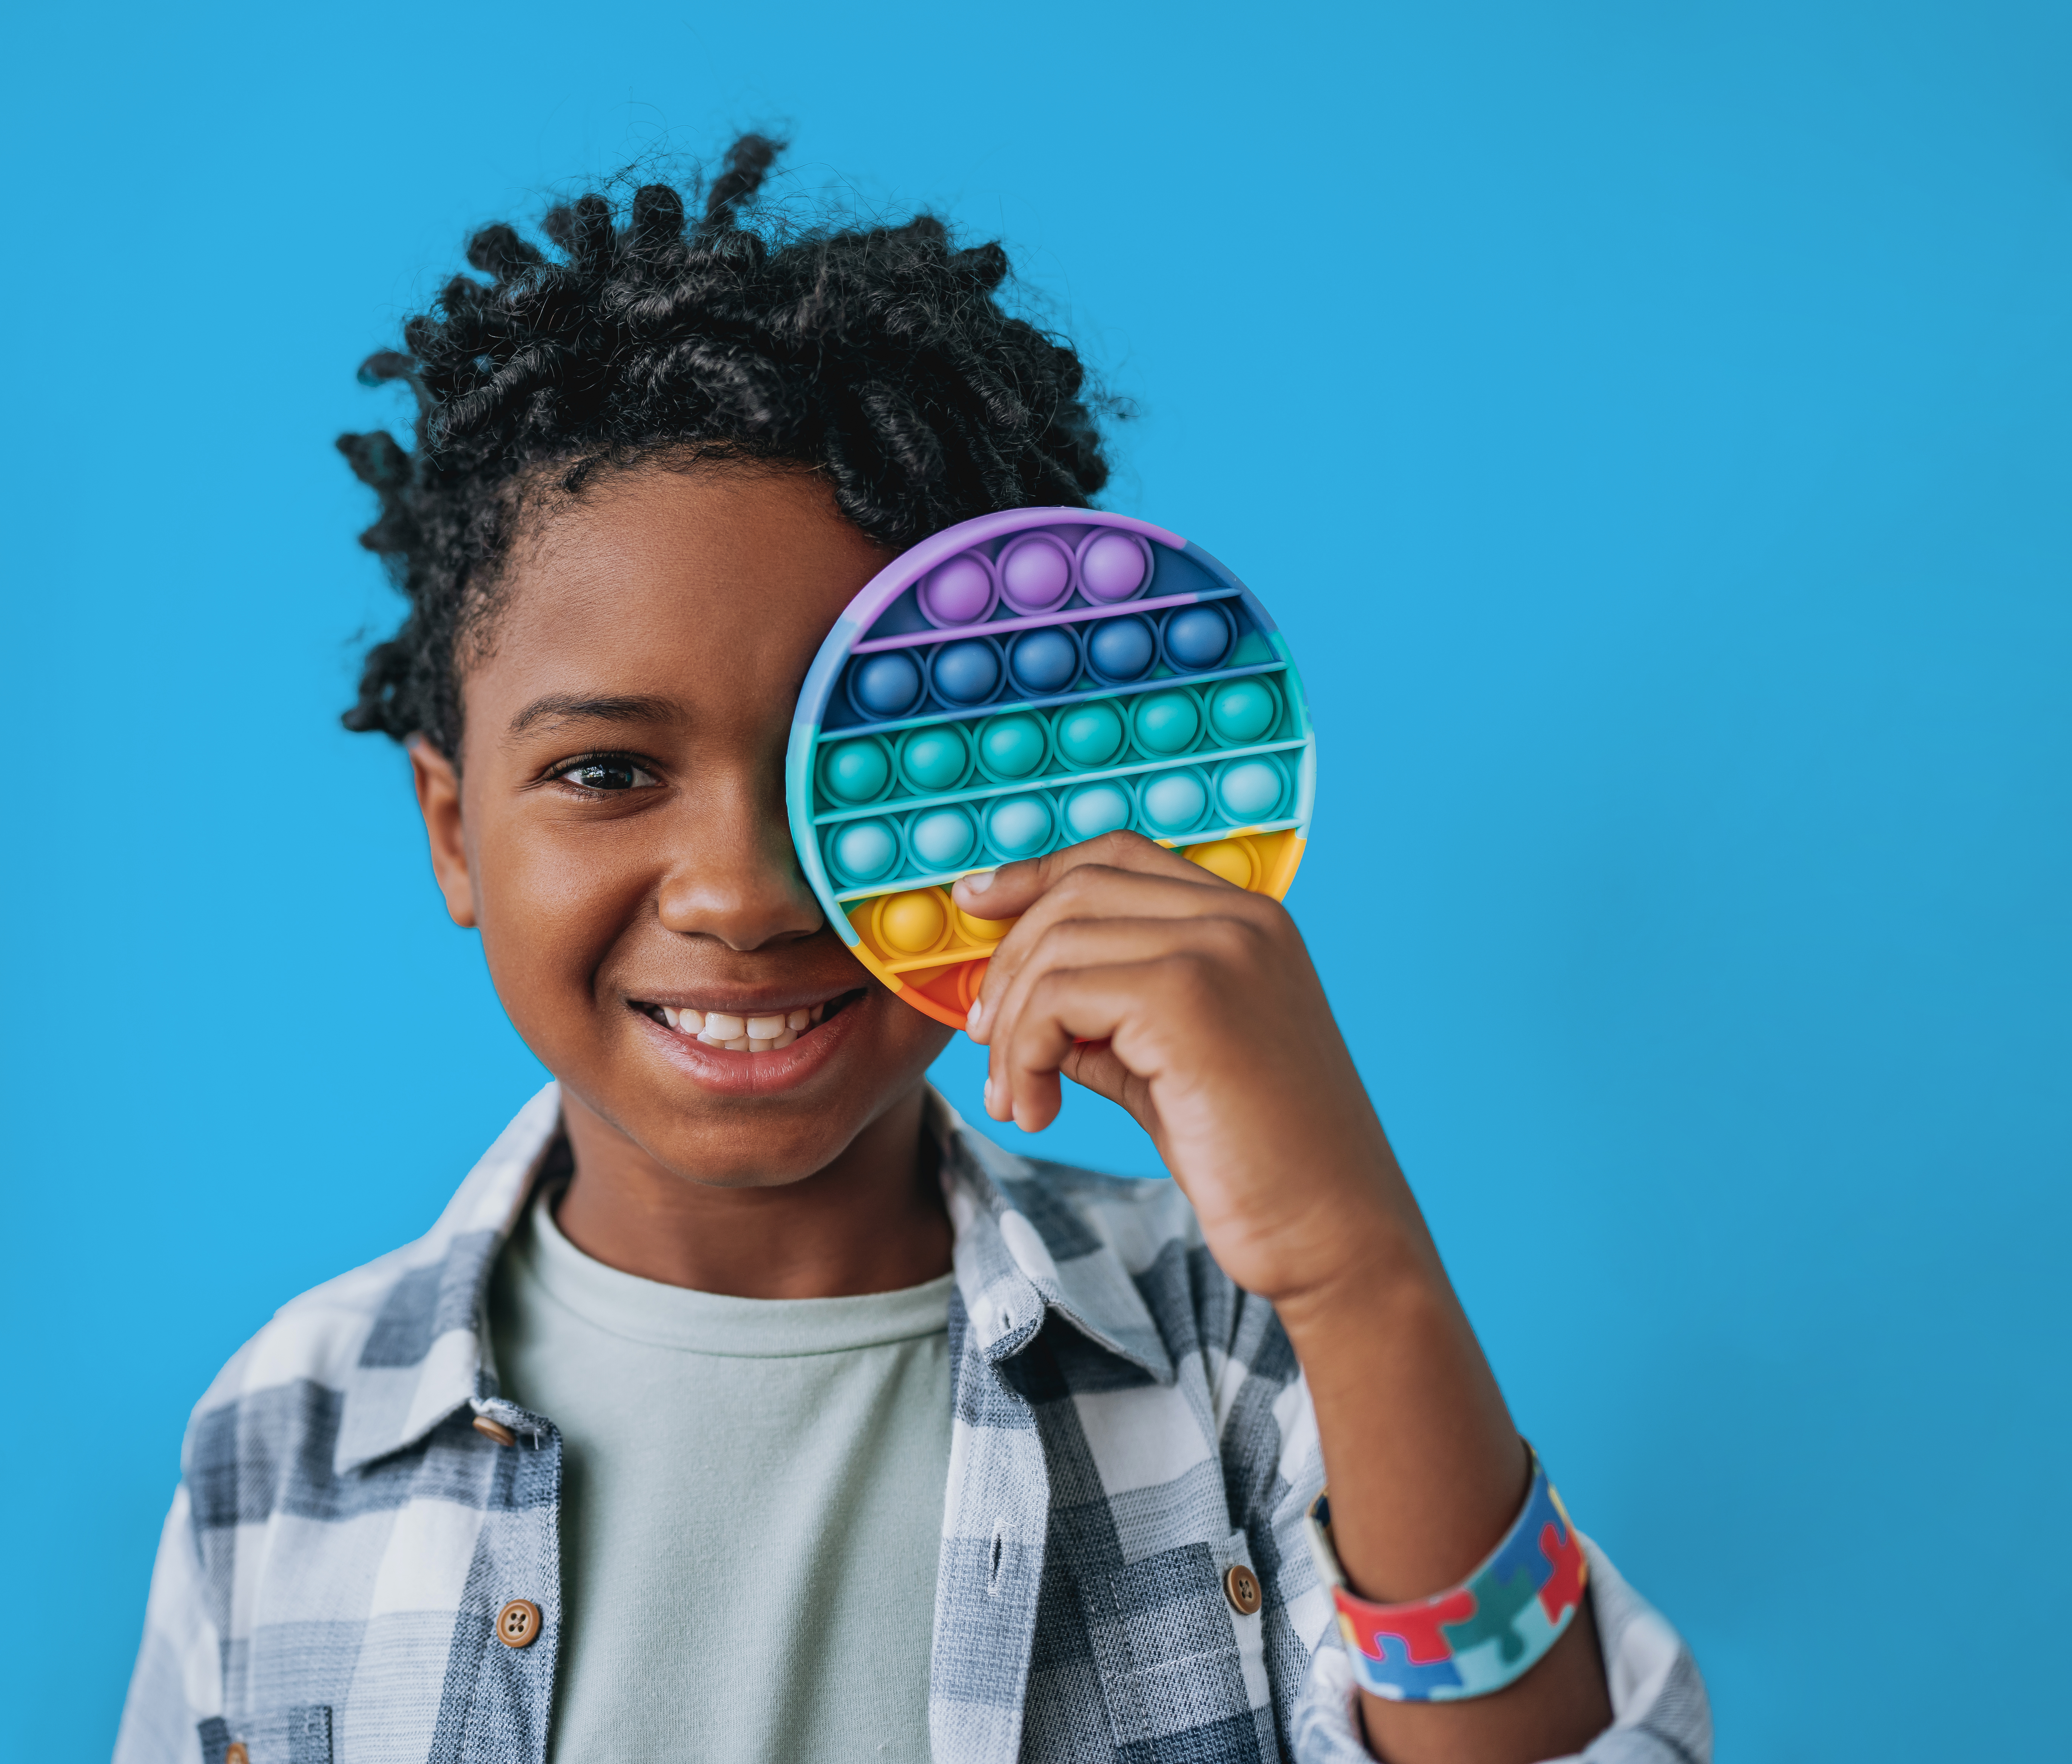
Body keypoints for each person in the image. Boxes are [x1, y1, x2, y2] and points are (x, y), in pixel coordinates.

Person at [113, 137, 1710, 1764]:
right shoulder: (285, 1438)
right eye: (608, 772)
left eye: (855, 775)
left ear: (1035, 789)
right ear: (454, 827)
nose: (743, 894)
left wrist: (1360, 1268)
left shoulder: (1237, 1346)